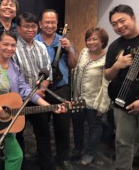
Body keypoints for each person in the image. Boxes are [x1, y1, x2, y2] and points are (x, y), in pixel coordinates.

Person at [0, 31, 66, 170]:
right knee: (16, 155)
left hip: (3, 122)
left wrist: (50, 106)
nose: (9, 48)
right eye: (5, 44)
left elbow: (25, 91)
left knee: (2, 156)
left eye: (13, 45)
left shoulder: (13, 66)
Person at [35, 9, 77, 170]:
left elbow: (73, 65)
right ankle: (44, 159)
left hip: (61, 88)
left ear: (57, 24)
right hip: (41, 90)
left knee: (63, 126)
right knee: (41, 127)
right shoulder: (35, 42)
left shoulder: (63, 40)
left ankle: (63, 158)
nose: (50, 25)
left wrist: (69, 50)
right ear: (40, 24)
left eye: (53, 22)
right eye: (47, 22)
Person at [12, 12, 53, 170]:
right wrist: (30, 93)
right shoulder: (13, 47)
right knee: (18, 133)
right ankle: (20, 164)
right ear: (18, 27)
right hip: (19, 99)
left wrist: (42, 89)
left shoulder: (41, 46)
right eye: (26, 26)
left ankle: (45, 164)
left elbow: (47, 71)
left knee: (43, 133)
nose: (30, 29)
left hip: (39, 96)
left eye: (33, 26)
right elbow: (13, 77)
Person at [104, 4, 139, 170]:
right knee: (123, 143)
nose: (118, 26)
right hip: (122, 104)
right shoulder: (114, 46)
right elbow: (107, 75)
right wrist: (117, 65)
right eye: (114, 24)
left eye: (122, 20)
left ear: (133, 17)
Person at [71, 27, 110, 165]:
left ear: (103, 41)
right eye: (88, 39)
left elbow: (106, 83)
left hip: (94, 101)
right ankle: (77, 148)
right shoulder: (83, 52)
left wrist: (103, 104)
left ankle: (90, 152)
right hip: (77, 99)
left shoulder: (107, 58)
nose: (91, 42)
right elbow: (77, 73)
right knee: (77, 125)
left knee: (94, 127)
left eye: (95, 39)